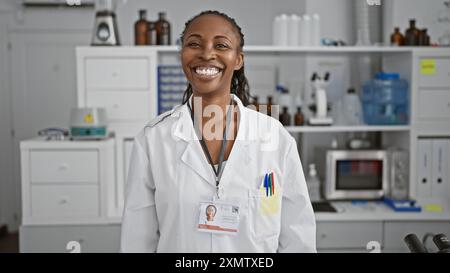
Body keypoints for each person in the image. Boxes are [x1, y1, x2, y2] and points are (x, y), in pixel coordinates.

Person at [120, 10, 316, 253]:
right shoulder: (153, 140)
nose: (206, 53)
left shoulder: (275, 138)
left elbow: (298, 239)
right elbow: (137, 241)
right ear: (182, 55)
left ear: (238, 59)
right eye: (194, 44)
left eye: (221, 45)